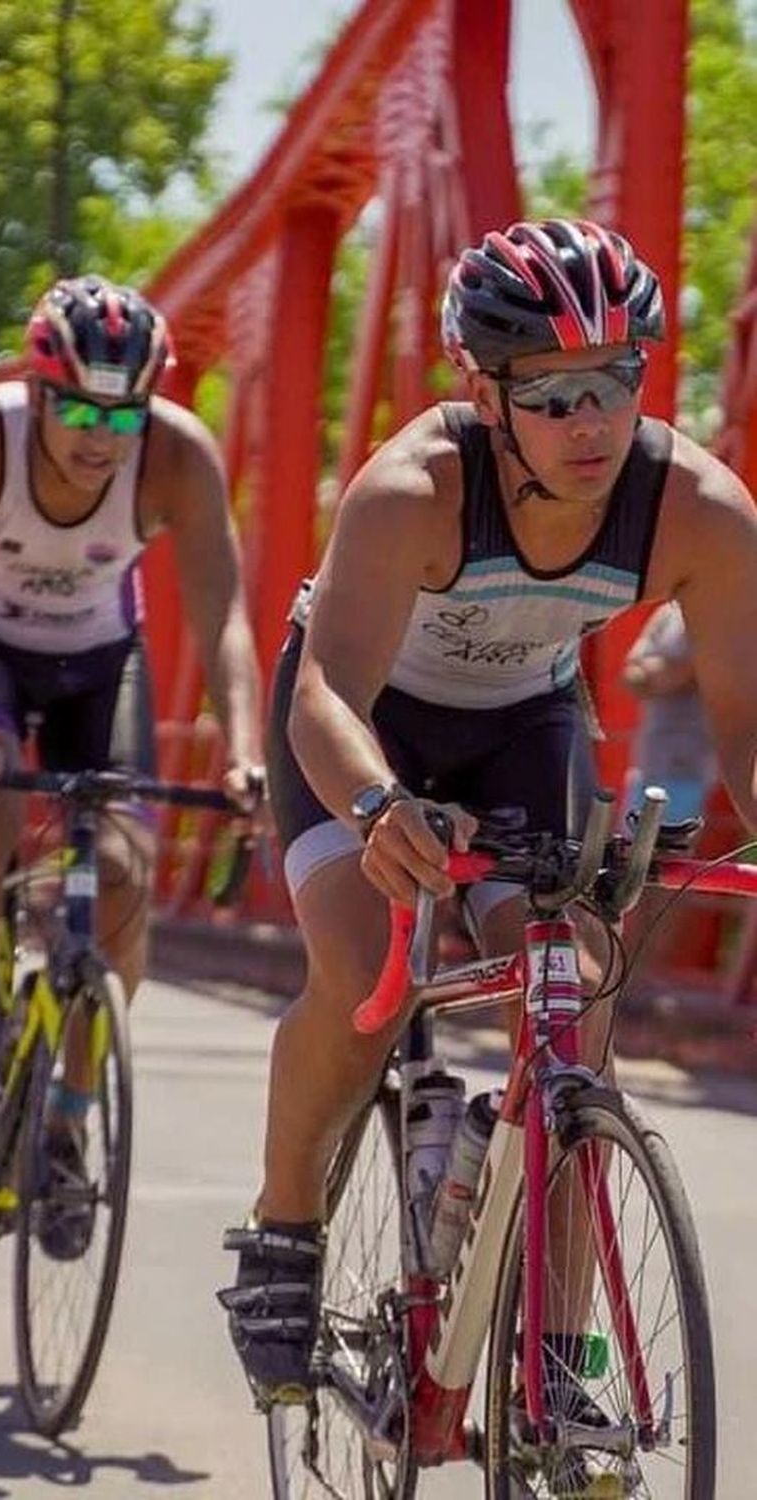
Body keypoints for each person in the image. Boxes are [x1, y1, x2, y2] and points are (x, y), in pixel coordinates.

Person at [222, 217, 757, 1411]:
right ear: (486, 391)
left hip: (522, 728)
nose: (591, 422)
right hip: (365, 727)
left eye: (617, 381)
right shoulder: (415, 488)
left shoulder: (702, 512)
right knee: (367, 982)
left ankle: (558, 1355)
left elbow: (749, 725)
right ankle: (284, 1230)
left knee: (578, 986)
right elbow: (322, 690)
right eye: (553, 393)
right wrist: (373, 806)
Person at [0, 274, 265, 1206]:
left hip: (101, 660)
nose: (103, 439)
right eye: (81, 414)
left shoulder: (178, 457)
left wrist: (245, 749)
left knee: (129, 869)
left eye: (125, 418)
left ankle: (67, 1115)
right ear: (38, 393)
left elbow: (223, 619)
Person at [621, 599, 715, 825]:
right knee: (629, 848)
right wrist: (660, 674)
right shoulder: (669, 612)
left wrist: (658, 673)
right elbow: (631, 675)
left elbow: (696, 670)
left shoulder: (722, 614)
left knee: (669, 848)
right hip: (647, 759)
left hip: (690, 763)